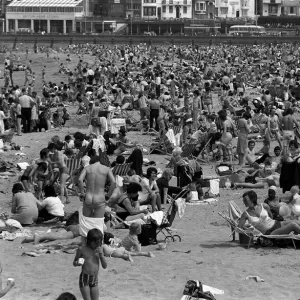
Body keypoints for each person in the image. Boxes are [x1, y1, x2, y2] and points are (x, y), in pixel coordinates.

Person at [78, 157, 115, 244]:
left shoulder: (87, 168)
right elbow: (113, 182)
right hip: (100, 198)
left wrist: (82, 193)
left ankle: (84, 244)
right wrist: (108, 195)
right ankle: (99, 245)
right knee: (98, 223)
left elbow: (80, 180)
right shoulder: (106, 169)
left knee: (85, 223)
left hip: (88, 197)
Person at [73, 229, 107, 300]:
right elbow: (74, 262)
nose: (97, 245)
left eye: (98, 243)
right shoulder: (82, 249)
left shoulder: (99, 250)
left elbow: (104, 266)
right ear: (89, 241)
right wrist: (78, 263)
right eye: (95, 243)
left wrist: (101, 256)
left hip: (94, 278)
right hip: (84, 278)